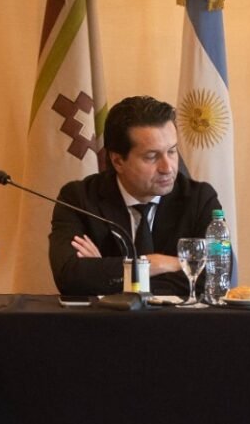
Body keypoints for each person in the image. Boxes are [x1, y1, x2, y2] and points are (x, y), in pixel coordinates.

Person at [49, 95, 223, 298]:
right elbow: (69, 277)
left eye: (172, 151)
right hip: (104, 319)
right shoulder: (79, 199)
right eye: (152, 157)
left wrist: (107, 270)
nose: (167, 168)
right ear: (118, 161)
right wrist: (154, 264)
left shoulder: (200, 199)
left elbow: (215, 276)